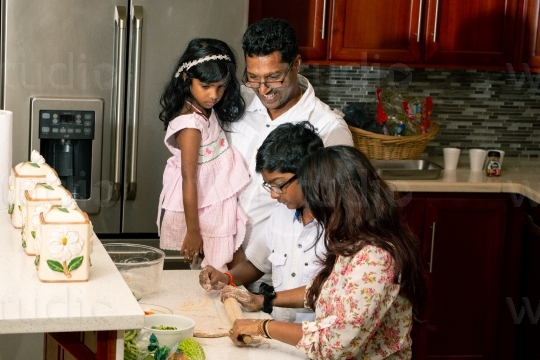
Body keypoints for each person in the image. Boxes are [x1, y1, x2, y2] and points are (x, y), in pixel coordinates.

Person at [223, 146, 428, 359]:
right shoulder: (356, 238)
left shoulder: (376, 258)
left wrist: (262, 327)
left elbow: (335, 342)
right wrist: (264, 300)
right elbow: (325, 290)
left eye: (313, 199)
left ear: (335, 199)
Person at [227, 18, 354, 254]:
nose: (263, 89)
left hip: (280, 273)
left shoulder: (329, 128)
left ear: (296, 63)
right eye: (254, 77)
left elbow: (337, 212)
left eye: (274, 77)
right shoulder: (236, 104)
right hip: (220, 259)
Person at [199, 121, 325, 322]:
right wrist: (227, 278)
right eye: (270, 186)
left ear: (310, 173)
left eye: (278, 185)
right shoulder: (281, 215)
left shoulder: (337, 225)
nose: (274, 195)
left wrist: (263, 300)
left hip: (315, 334)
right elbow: (256, 264)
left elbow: (331, 290)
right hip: (279, 328)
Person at [157, 38, 249, 272]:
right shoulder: (190, 126)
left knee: (228, 259)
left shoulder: (204, 108)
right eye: (206, 86)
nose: (214, 94)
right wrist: (193, 231)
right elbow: (189, 178)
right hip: (203, 203)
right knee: (218, 264)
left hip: (215, 195)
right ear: (187, 79)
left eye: (220, 86)